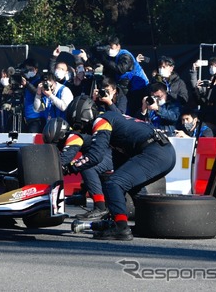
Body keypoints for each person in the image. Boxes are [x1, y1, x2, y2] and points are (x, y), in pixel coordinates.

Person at [64, 96, 176, 240]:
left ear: (84, 117)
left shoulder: (101, 121)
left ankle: (121, 228)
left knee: (113, 183)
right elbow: (120, 164)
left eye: (78, 126)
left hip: (155, 151)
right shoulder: (114, 122)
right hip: (162, 150)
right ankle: (144, 223)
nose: (80, 131)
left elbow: (95, 156)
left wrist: (69, 168)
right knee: (127, 185)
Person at [43, 118, 112, 220]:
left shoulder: (74, 137)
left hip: (108, 158)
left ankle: (100, 207)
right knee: (80, 164)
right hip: (105, 157)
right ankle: (81, 196)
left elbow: (63, 161)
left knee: (85, 166)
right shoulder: (75, 136)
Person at [99, 36, 149, 115]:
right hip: (125, 85)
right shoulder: (111, 57)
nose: (109, 50)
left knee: (132, 109)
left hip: (137, 86)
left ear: (118, 46)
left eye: (111, 47)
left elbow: (121, 69)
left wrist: (104, 61)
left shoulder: (125, 55)